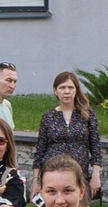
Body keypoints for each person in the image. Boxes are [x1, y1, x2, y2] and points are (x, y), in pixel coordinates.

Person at [33, 70, 101, 199]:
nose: (67, 91)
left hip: (79, 175)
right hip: (53, 175)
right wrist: (36, 180)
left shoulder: (87, 115)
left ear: (76, 90)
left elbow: (96, 147)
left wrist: (96, 175)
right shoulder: (48, 117)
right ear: (55, 91)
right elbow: (40, 150)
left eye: (70, 87)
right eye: (62, 87)